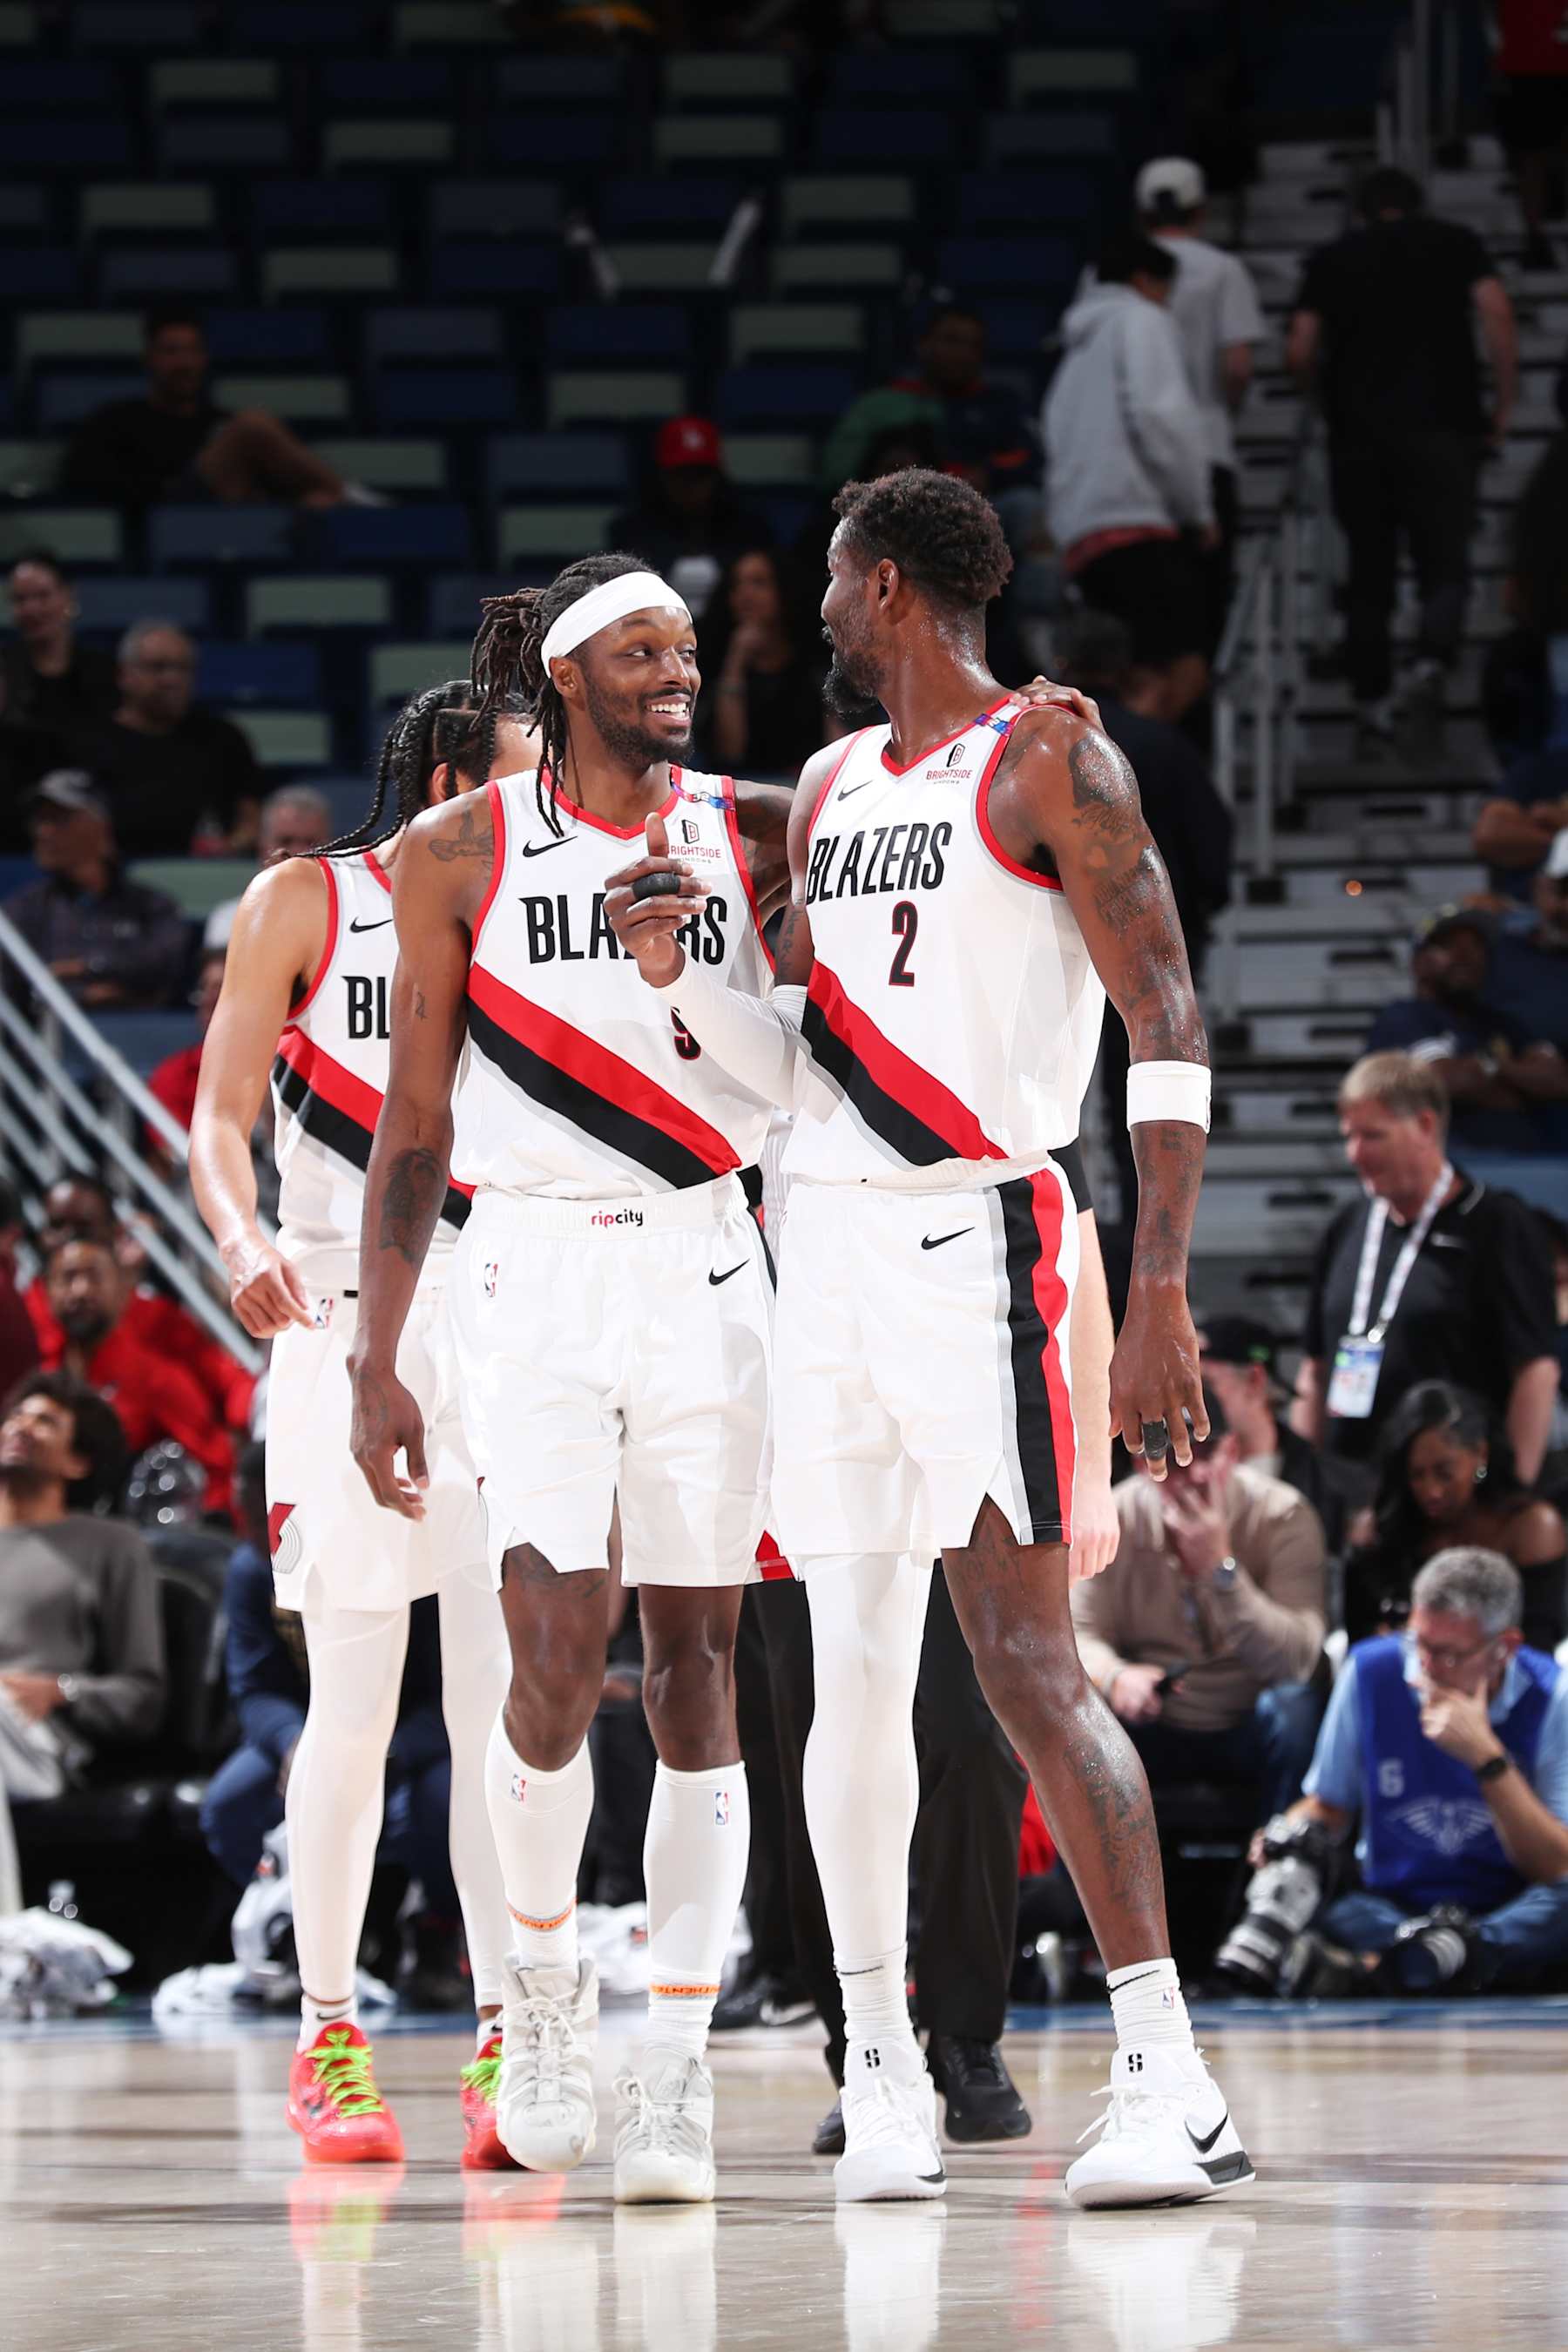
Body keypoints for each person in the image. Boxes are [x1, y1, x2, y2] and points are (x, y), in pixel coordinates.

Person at [606, 467, 1251, 2208]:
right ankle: (878, 2066)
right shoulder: (825, 783)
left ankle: (1164, 2068)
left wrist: (1165, 1285)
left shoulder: (1054, 757)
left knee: (1029, 1665)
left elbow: (1167, 1020)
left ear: (884, 583)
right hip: (823, 1245)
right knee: (854, 1671)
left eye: (829, 578)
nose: (812, 607)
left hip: (988, 1238)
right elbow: (801, 1062)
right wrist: (686, 989)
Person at [345, 555, 788, 2211]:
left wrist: (1030, 718)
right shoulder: (455, 853)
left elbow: (910, 854)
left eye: (690, 649)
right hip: (523, 1271)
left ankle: (672, 2059)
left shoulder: (749, 827)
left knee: (696, 1669)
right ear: (566, 671)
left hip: (704, 1256)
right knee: (546, 1655)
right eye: (650, 652)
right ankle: (540, 2001)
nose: (683, 672)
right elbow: (413, 1123)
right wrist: (376, 1353)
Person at [189, 681, 529, 2168]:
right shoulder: (304, 900)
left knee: (505, 1701)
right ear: (454, 774)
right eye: (521, 777)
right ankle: (330, 2030)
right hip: (334, 1316)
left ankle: (516, 2027)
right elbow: (215, 1117)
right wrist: (235, 1232)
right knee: (356, 1695)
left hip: (509, 1313)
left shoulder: (536, 907)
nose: (541, 808)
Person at [201, 1445, 483, 2009]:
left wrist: (376, 1747)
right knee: (231, 1804)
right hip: (311, 1735)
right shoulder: (254, 1569)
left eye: (266, 1515)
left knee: (448, 1799)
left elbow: (449, 1689)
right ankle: (309, 1931)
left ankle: (439, 1935)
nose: (258, 1530)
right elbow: (254, 1688)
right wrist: (293, 1741)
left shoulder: (405, 1558)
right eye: (247, 1516)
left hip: (412, 1742)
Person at [1285, 168, 1517, 761]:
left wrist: (1322, 401)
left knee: (1370, 578)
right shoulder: (1455, 243)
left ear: (1363, 210)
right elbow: (1496, 315)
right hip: (1445, 429)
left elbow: (1301, 346)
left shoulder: (1333, 258)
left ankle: (1371, 705)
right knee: (1446, 563)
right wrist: (1504, 405)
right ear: (1418, 206)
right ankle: (1431, 663)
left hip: (1358, 441)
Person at [1281, 1550, 1568, 1996]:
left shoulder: (1554, 1694)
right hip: (1391, 1907)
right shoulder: (1371, 1670)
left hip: (1505, 1909)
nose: (1426, 1669)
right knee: (1309, 1886)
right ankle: (1436, 1960)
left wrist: (1487, 1759)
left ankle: (1419, 1962)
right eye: (1419, 1645)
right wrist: (1287, 1834)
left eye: (1449, 1654)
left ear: (1504, 1649)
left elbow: (1555, 1864)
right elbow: (1328, 1806)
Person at [1295, 1052, 1559, 1489]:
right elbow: (1315, 1368)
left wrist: (1512, 1496)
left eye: (1373, 1136)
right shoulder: (1348, 1226)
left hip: (1452, 1494)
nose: (1355, 1154)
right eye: (1349, 1136)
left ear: (1425, 1125)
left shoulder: (1496, 1224)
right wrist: (1307, 1485)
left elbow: (1535, 1370)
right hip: (1352, 1488)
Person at [1071, 1385, 1326, 1824]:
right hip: (1156, 1716)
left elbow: (1298, 1660)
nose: (1189, 1474)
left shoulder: (1283, 1514)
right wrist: (1117, 1676)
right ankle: (1097, 1888)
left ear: (1231, 1452)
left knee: (1296, 1707)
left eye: (1203, 1455)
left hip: (1250, 1712)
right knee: (1082, 1719)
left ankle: (1284, 1871)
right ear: (1141, 1463)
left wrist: (1220, 1570)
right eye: (1169, 1460)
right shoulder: (1118, 1517)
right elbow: (1078, 1632)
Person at [1051, 607, 1233, 1219]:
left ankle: (1072, 1247)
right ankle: (1140, 1260)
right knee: (1148, 1100)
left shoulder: (1042, 752)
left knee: (1056, 1100)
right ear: (1127, 669)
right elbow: (1215, 857)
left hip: (1063, 954)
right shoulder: (1166, 747)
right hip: (1152, 956)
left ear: (1061, 665)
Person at [1044, 233, 1217, 722]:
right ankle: (1135, 783)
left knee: (1120, 678)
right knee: (1176, 672)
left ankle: (1103, 784)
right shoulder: (1143, 319)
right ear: (1145, 281)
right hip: (1137, 523)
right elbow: (1162, 418)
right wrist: (1197, 509)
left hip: (1083, 540)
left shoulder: (1074, 354)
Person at [0, 1370, 161, 1803]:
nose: (20, 1426)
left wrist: (59, 1691)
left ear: (78, 1461)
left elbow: (142, 1696)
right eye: (17, 1415)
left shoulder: (111, 1545)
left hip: (38, 1742)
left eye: (45, 1422)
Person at [1133, 155, 1266, 635]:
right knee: (1206, 604)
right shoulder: (1223, 270)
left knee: (1145, 609)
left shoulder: (1109, 272)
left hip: (1134, 465)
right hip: (1207, 451)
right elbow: (1237, 366)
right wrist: (1220, 407)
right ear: (1200, 209)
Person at [23, 1173, 253, 1442]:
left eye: (84, 1227)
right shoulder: (23, 1310)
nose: (70, 1239)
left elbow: (227, 1385)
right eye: (57, 1225)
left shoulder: (157, 1340)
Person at [60, 304, 355, 514]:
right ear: (149, 358)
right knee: (253, 425)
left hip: (233, 522)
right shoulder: (116, 420)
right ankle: (354, 499)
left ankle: (337, 496)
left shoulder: (221, 419)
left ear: (204, 359)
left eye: (192, 351)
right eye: (171, 351)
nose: (183, 364)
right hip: (169, 513)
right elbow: (82, 480)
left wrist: (306, 502)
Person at [1343, 1382, 1566, 1656]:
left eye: (1444, 1472)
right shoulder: (1380, 1531)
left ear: (1480, 1455)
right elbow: (1360, 1642)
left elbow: (1538, 1648)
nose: (1432, 1491)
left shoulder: (1530, 1528)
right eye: (1417, 1475)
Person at [39, 1236, 235, 1515]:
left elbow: (216, 1469)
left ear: (122, 1292)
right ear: (46, 1292)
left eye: (94, 1277)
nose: (80, 1291)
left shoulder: (156, 1378)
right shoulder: (39, 1375)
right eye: (67, 1278)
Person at [1364, 909, 1558, 1156]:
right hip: (1447, 1172)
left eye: (1476, 947)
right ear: (1419, 962)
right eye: (1448, 946)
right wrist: (1519, 1082)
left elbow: (1557, 1081)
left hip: (1529, 1168)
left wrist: (1492, 1068)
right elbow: (1440, 1082)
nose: (1466, 956)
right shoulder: (1405, 1017)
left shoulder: (1503, 1023)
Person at [66, 620, 261, 862]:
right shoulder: (90, 741)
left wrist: (231, 846)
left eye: (183, 668)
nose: (171, 679)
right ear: (123, 674)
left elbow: (251, 818)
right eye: (157, 667)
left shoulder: (225, 737)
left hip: (204, 874)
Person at [821, 302, 1039, 517]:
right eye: (952, 341)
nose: (963, 353)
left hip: (980, 508)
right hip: (895, 509)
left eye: (974, 345)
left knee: (1027, 504)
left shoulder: (1000, 404)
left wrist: (988, 473)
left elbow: (1026, 457)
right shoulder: (881, 404)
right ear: (923, 344)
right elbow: (836, 473)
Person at [4, 771, 190, 1010]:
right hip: (50, 1037)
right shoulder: (24, 909)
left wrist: (87, 967)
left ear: (101, 826)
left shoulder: (152, 905)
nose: (44, 832)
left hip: (144, 1035)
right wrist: (84, 995)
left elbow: (166, 962)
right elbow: (15, 985)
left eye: (58, 819)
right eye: (39, 821)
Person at [1196, 1314, 1349, 1554]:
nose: (1193, 1401)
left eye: (1207, 1383)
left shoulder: (1330, 1486)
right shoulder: (1178, 1475)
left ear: (1256, 1379)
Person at [605, 415, 773, 620]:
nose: (691, 486)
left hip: (731, 640)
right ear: (662, 476)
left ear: (717, 476)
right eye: (681, 475)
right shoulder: (630, 532)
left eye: (700, 475)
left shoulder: (750, 530)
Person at [0, 551, 119, 820]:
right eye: (20, 599)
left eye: (42, 596)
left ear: (68, 597)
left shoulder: (103, 671)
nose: (31, 609)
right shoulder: (3, 669)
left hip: (88, 810)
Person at [695, 548, 827, 779]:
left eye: (759, 583)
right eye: (737, 585)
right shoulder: (711, 662)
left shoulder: (815, 662)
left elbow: (836, 744)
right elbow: (730, 752)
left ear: (782, 589)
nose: (746, 594)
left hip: (807, 785)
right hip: (738, 787)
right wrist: (735, 662)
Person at [205, 787, 333, 952]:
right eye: (286, 841)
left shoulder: (348, 919)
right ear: (263, 845)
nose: (298, 853)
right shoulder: (228, 920)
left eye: (311, 842)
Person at [1495, 0, 1568, 272]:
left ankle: (1550, 201)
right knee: (1531, 155)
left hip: (1532, 66)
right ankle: (1536, 239)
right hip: (1527, 68)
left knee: (1536, 155)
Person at [146, 950, 226, 1143]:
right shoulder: (176, 1073)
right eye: (204, 989)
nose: (208, 1000)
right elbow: (172, 1150)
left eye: (221, 988)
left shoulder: (283, 1065)